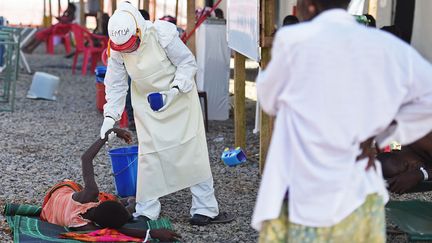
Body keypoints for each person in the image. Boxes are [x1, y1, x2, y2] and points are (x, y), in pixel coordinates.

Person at [252, 0, 432, 242]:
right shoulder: (385, 45)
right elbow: (427, 98)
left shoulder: (293, 40)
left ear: (309, 5)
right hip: (357, 190)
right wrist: (380, 133)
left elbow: (268, 99)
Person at [100, 2, 234, 226]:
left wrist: (171, 93)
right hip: (146, 105)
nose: (129, 51)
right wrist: (109, 117)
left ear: (139, 31)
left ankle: (205, 209)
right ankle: (147, 210)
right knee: (149, 157)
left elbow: (188, 64)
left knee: (193, 152)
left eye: (132, 45)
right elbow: (115, 84)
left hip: (179, 100)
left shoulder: (162, 33)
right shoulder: (118, 48)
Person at [40, 128, 180, 242]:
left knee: (123, 201)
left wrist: (108, 135)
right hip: (53, 201)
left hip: (57, 196)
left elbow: (86, 158)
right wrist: (150, 232)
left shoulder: (89, 196)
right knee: (129, 202)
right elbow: (116, 231)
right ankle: (130, 202)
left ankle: (129, 202)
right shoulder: (84, 225)